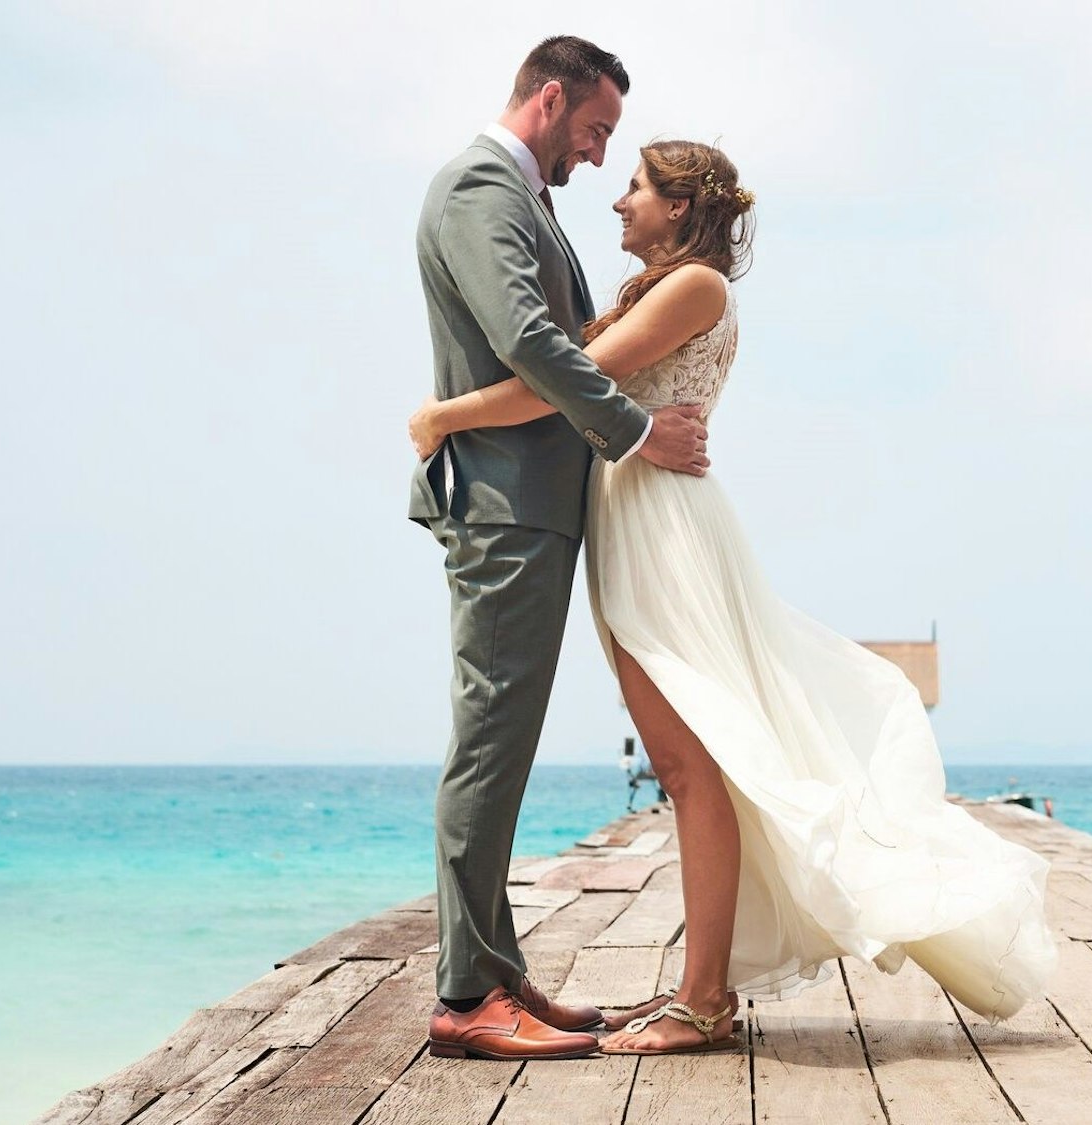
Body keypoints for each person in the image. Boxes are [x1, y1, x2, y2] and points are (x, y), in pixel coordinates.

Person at [409, 138, 1057, 1057]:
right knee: (689, 761)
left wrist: (445, 415)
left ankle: (705, 999)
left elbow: (565, 388)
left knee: (688, 762)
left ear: (680, 207)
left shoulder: (696, 287)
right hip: (634, 522)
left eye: (634, 187)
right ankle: (697, 992)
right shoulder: (656, 290)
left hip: (665, 532)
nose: (618, 201)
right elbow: (572, 371)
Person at [406, 36, 712, 1062]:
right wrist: (632, 432)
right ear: (548, 99)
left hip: (532, 503)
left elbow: (566, 337)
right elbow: (534, 343)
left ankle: (493, 970)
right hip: (507, 504)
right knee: (491, 742)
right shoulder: (480, 190)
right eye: (595, 129)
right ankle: (463, 996)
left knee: (506, 740)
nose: (596, 156)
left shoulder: (516, 195)